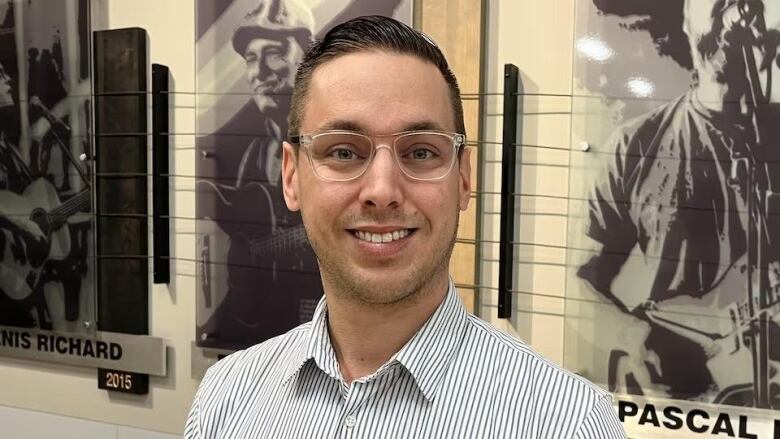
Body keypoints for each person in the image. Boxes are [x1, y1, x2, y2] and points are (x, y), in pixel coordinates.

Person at [186, 16, 626, 438]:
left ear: (464, 179)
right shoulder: (225, 400)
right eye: (342, 152)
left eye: (420, 152)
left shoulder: (568, 424)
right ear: (291, 177)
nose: (382, 189)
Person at [578, 0, 780, 403]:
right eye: (718, 3)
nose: (734, 14)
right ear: (687, 20)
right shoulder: (635, 145)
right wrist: (634, 338)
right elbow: (583, 274)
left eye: (746, 5)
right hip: (681, 398)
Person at [195, 0, 323, 349]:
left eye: (274, 54)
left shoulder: (332, 154)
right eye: (251, 58)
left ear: (308, 62)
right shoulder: (252, 150)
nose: (259, 72)